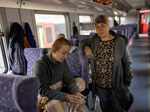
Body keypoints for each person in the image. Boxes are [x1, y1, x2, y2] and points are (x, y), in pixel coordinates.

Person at [80, 15, 133, 112]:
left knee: (119, 108)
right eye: (97, 27)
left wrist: (127, 81)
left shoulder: (120, 41)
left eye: (103, 26)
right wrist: (86, 47)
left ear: (108, 26)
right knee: (105, 108)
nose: (100, 29)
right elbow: (81, 42)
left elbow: (127, 62)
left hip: (116, 84)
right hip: (100, 85)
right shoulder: (94, 40)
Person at [32, 38, 88, 112]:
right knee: (60, 105)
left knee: (78, 101)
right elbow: (42, 91)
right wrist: (66, 97)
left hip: (58, 91)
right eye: (63, 53)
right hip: (44, 98)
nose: (66, 57)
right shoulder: (40, 65)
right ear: (54, 50)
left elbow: (69, 79)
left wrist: (76, 92)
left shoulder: (62, 61)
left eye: (67, 53)